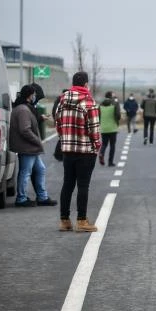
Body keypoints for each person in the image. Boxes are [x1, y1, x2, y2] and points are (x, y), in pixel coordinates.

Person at [55, 72, 102, 232]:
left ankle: (64, 220)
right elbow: (94, 129)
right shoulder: (89, 102)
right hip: (85, 150)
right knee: (83, 185)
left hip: (68, 149)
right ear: (86, 84)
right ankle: (81, 221)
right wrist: (97, 145)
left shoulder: (62, 101)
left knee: (67, 184)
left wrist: (64, 140)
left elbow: (58, 124)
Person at [8, 85, 56, 207]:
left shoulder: (24, 108)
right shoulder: (24, 110)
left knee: (40, 169)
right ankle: (21, 198)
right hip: (27, 147)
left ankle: (42, 197)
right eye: (34, 94)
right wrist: (37, 140)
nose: (35, 97)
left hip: (30, 148)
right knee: (25, 172)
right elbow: (25, 130)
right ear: (30, 95)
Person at [97, 91, 121, 167]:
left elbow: (98, 115)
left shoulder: (100, 104)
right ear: (111, 96)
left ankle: (101, 153)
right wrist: (117, 121)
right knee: (112, 145)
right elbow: (118, 115)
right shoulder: (115, 103)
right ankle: (110, 162)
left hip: (103, 128)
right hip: (113, 128)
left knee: (104, 144)